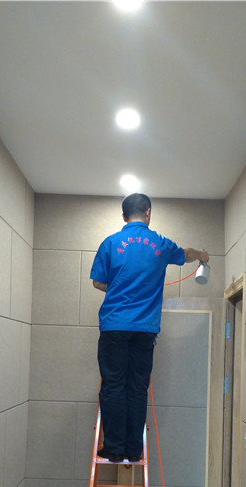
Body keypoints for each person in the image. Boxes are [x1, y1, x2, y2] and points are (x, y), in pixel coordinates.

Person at [90, 193, 209, 463]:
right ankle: (134, 450)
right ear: (148, 212)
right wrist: (202, 255)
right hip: (145, 329)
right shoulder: (160, 243)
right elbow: (185, 254)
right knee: (137, 386)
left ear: (124, 216)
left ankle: (114, 449)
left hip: (114, 326)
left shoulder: (109, 243)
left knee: (113, 385)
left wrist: (120, 288)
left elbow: (97, 282)